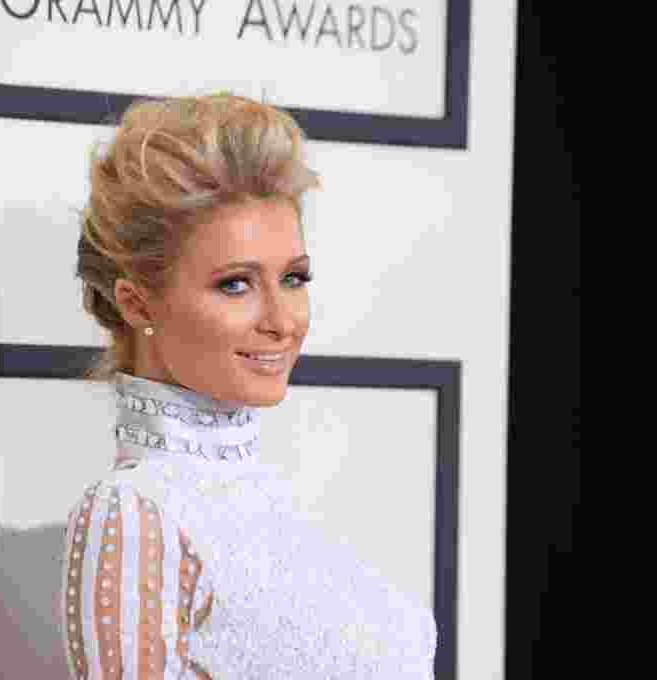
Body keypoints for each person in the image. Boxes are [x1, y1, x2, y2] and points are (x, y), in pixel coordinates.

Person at [59, 92, 437, 679]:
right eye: (236, 284)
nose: (282, 320)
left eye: (293, 278)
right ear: (136, 301)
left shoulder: (275, 496)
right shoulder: (134, 513)